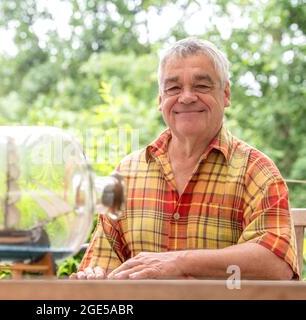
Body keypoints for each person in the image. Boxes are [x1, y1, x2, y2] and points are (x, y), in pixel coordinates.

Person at [70, 37, 298, 280]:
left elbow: (277, 263)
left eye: (201, 86)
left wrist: (180, 262)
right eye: (173, 88)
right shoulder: (125, 174)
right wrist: (94, 276)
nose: (187, 97)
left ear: (226, 94)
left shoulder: (257, 171)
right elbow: (101, 263)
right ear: (160, 100)